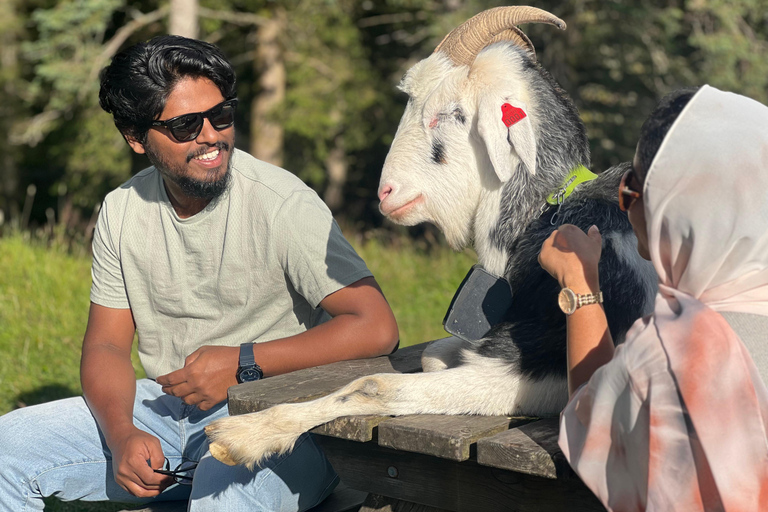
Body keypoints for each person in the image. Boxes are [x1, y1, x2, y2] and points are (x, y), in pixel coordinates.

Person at [0, 35, 399, 512]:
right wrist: (123, 433)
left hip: (280, 417)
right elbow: (106, 345)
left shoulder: (282, 202)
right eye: (186, 125)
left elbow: (376, 326)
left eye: (222, 115)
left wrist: (244, 362)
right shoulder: (121, 210)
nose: (212, 135)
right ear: (135, 137)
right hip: (165, 412)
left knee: (223, 500)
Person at [538, 85, 768, 511]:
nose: (626, 204)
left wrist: (578, 283)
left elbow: (592, 427)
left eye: (632, 187)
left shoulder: (667, 359)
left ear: (673, 206)